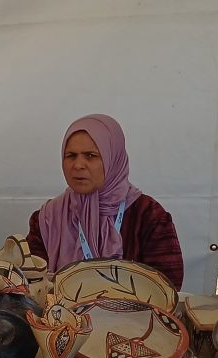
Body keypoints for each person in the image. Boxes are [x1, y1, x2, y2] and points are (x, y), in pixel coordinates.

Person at [26, 114, 184, 289]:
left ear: (113, 159)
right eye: (71, 155)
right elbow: (30, 282)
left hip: (132, 308)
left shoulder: (148, 216)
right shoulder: (48, 218)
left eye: (90, 155)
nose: (78, 165)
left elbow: (168, 286)